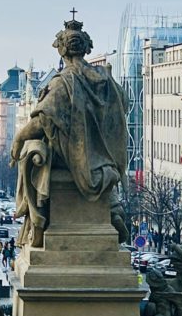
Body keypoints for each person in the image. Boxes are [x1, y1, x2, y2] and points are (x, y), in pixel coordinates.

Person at [10, 15, 128, 247]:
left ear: (62, 51)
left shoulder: (63, 82)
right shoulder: (105, 78)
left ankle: (39, 220)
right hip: (103, 159)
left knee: (31, 152)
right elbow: (122, 105)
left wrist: (18, 138)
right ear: (86, 49)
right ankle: (112, 210)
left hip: (72, 158)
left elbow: (43, 120)